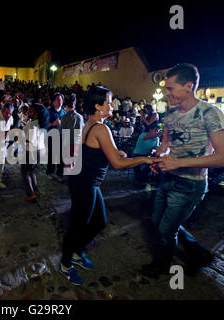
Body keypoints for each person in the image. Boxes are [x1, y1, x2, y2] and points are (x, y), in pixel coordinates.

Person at [143, 63, 224, 278]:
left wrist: (179, 163)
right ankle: (196, 251)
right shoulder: (171, 114)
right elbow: (166, 143)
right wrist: (159, 157)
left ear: (188, 86)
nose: (166, 94)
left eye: (170, 88)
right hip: (167, 178)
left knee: (166, 230)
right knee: (158, 222)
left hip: (190, 184)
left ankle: (162, 266)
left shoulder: (210, 113)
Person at [59, 86, 153, 285]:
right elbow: (117, 165)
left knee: (99, 221)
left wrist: (117, 152)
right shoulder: (101, 128)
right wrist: (144, 159)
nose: (112, 105)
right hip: (85, 183)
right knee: (77, 226)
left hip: (86, 181)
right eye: (108, 101)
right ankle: (66, 265)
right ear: (98, 105)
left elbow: (104, 151)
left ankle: (77, 252)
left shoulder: (93, 124)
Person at [20, 103, 49, 202]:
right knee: (31, 170)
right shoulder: (40, 123)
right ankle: (35, 190)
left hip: (32, 150)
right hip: (40, 149)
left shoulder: (32, 124)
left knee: (25, 171)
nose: (28, 112)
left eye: (31, 111)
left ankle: (30, 194)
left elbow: (29, 140)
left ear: (36, 114)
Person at [60, 93, 84, 174]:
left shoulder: (64, 117)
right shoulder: (80, 117)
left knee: (68, 164)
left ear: (66, 106)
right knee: (75, 163)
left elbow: (62, 132)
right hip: (78, 144)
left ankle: (71, 180)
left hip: (68, 143)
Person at [46, 92, 67, 180]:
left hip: (62, 136)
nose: (60, 102)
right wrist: (53, 123)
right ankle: (50, 172)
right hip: (52, 136)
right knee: (51, 155)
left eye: (61, 100)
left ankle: (60, 173)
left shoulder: (64, 112)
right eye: (58, 100)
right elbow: (44, 125)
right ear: (53, 102)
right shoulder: (49, 112)